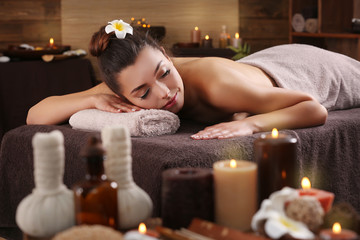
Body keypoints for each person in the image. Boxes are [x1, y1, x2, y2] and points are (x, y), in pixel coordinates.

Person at [27, 20, 360, 140]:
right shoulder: (129, 81)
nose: (164, 93)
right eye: (143, 93)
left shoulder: (218, 86)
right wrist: (89, 98)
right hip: (255, 67)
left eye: (165, 73)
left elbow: (312, 108)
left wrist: (251, 125)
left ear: (167, 56)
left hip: (309, 68)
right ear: (123, 93)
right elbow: (36, 115)